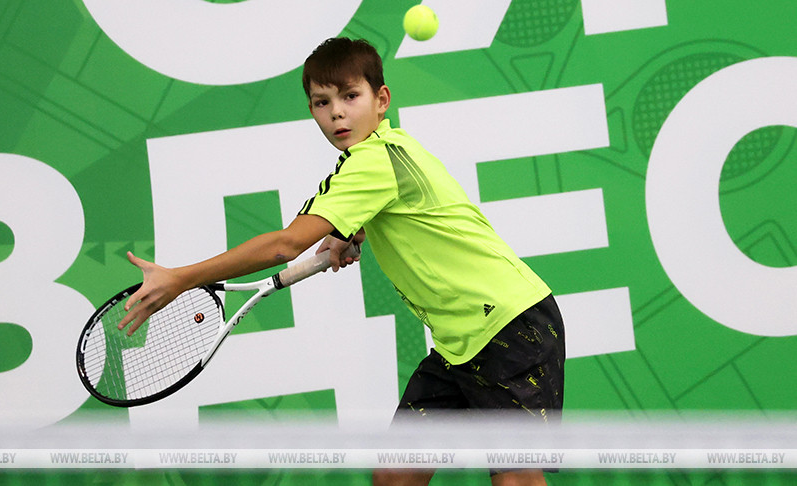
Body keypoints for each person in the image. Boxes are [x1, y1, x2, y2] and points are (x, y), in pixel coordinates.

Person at [119, 37, 565, 486]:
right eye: (321, 102)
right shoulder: (390, 150)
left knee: (515, 478)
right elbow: (408, 208)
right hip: (459, 342)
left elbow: (284, 245)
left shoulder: (373, 162)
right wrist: (351, 231)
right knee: (395, 474)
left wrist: (181, 279)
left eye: (351, 96)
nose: (336, 113)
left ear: (381, 99)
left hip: (510, 327)